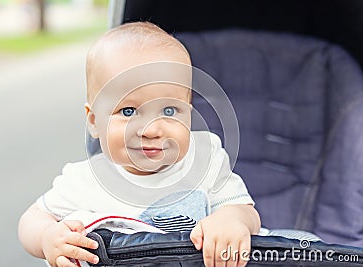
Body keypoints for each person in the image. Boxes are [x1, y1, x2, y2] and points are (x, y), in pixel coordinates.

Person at [18, 22, 261, 267]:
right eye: (128, 110)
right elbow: (33, 218)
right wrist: (47, 237)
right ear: (94, 121)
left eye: (169, 110)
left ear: (189, 114)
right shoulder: (84, 181)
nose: (151, 130)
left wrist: (232, 219)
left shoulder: (205, 159)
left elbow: (245, 210)